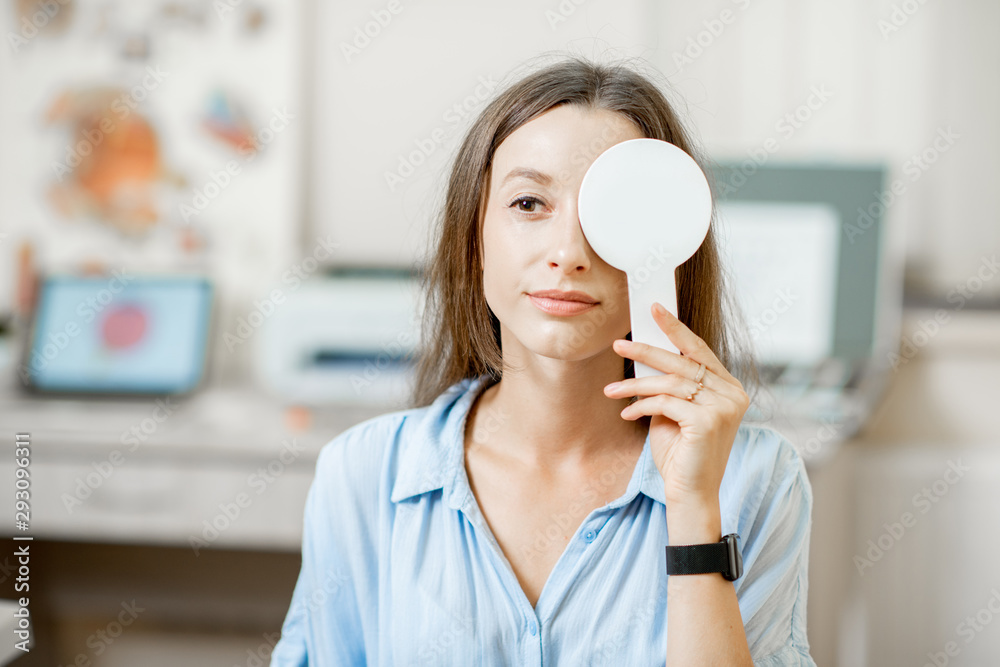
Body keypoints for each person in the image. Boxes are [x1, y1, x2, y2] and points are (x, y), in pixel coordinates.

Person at [270, 55, 816, 666]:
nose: (568, 251)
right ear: (473, 238)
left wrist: (692, 511)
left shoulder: (757, 480)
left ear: (670, 250)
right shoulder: (364, 473)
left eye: (609, 213)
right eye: (529, 204)